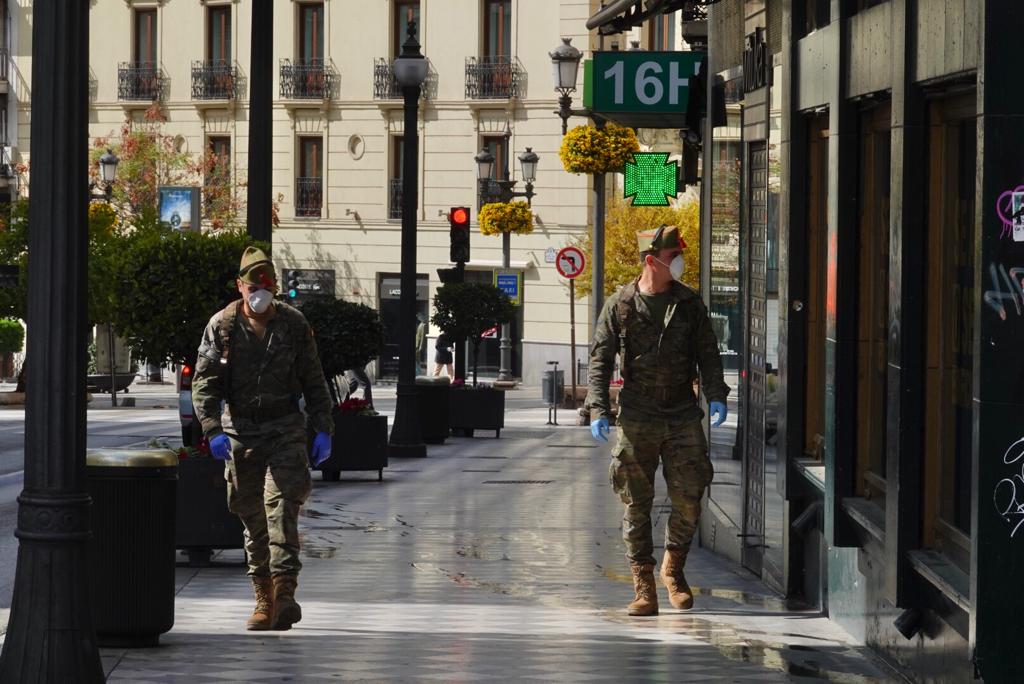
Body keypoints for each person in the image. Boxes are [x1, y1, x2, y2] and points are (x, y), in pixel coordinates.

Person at [586, 224, 729, 617]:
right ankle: (643, 585)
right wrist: (598, 409)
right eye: (673, 256)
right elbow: (599, 361)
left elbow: (709, 354)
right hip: (638, 415)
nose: (680, 262)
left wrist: (716, 394)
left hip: (682, 414)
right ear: (652, 261)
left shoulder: (689, 303)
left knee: (690, 498)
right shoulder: (621, 304)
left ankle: (673, 569)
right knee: (636, 504)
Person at [192, 247, 334, 631]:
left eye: (267, 286)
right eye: (254, 285)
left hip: (285, 428)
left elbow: (314, 378)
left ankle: (285, 594)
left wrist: (323, 427)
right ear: (240, 286)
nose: (260, 293)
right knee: (253, 519)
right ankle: (263, 598)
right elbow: (204, 383)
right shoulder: (222, 326)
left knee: (282, 508)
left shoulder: (293, 324)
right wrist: (212, 429)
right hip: (240, 431)